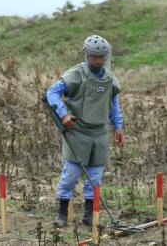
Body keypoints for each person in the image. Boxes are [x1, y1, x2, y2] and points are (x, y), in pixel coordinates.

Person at [46, 34, 124, 227]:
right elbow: (52, 92)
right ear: (86, 55)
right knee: (70, 175)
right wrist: (64, 114)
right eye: (94, 57)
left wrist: (118, 125)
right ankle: (62, 214)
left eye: (101, 57)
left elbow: (113, 103)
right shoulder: (75, 74)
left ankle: (89, 216)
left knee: (95, 177)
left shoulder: (109, 78)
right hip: (77, 132)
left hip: (99, 133)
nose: (98, 60)